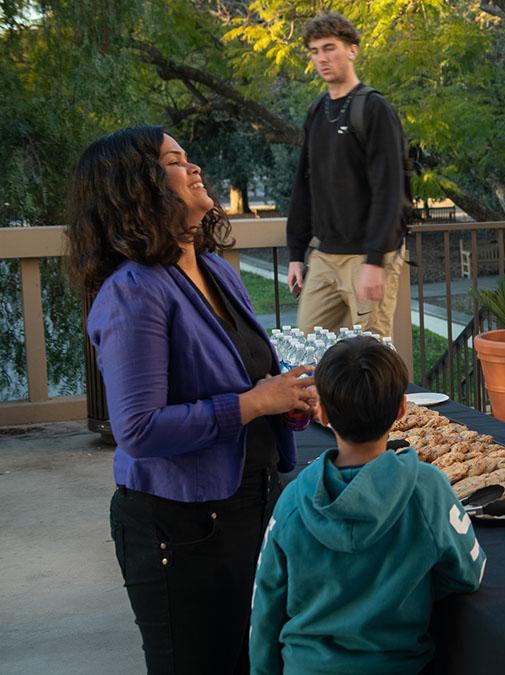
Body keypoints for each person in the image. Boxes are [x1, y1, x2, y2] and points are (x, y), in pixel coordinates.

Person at [66, 125, 316, 674]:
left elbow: (242, 382)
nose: (195, 167)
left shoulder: (217, 272)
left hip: (248, 505)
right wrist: (253, 404)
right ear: (139, 188)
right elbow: (138, 428)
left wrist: (286, 402)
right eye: (176, 160)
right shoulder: (133, 292)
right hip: (178, 528)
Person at [249, 337, 485, 673]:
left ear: (323, 413)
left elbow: (266, 607)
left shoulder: (292, 502)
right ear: (403, 409)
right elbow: (467, 573)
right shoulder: (428, 488)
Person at [286, 11, 409, 338]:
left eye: (329, 48)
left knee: (369, 352)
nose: (321, 58)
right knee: (308, 345)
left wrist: (374, 260)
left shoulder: (373, 108)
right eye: (314, 52)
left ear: (352, 50)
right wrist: (296, 254)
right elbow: (304, 183)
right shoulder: (317, 110)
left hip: (368, 255)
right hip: (325, 255)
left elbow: (390, 189)